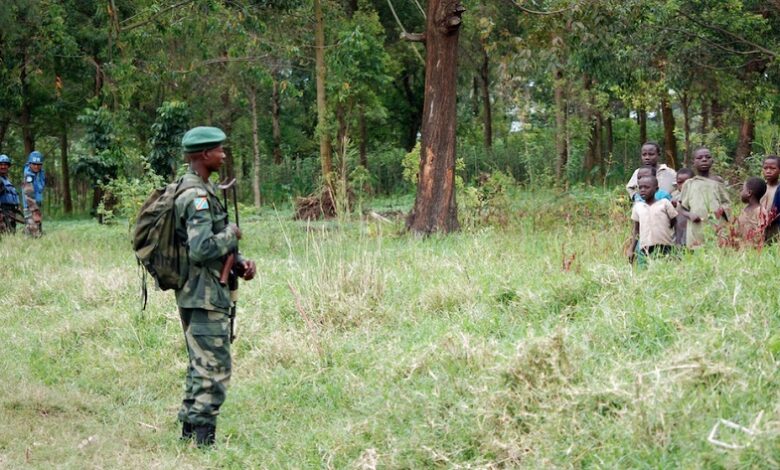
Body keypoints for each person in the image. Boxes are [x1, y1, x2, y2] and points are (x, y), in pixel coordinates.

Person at [174, 126, 257, 447]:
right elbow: (201, 249)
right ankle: (204, 441)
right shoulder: (196, 196)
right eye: (219, 150)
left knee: (200, 364)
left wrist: (239, 262)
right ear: (205, 154)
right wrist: (231, 233)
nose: (223, 155)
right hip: (204, 294)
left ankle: (188, 432)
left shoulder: (199, 188)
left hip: (199, 290)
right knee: (214, 366)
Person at [679, 147, 731, 248]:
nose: (704, 160)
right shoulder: (689, 184)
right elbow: (681, 207)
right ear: (693, 162)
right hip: (696, 226)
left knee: (717, 250)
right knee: (698, 251)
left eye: (708, 157)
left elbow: (727, 203)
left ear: (712, 161)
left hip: (716, 224)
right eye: (699, 158)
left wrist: (721, 210)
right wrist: (689, 215)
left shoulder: (718, 181)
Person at [628, 175, 678, 264]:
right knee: (649, 268)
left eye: (646, 187)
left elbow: (674, 222)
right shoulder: (638, 207)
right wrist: (631, 249)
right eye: (640, 187)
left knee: (666, 266)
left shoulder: (664, 203)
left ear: (656, 189)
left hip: (665, 245)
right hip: (646, 247)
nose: (642, 190)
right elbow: (636, 230)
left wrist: (676, 242)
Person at [736, 176, 767, 247]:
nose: (741, 192)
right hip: (740, 248)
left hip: (753, 250)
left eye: (743, 189)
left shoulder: (761, 211)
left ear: (749, 193)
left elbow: (761, 233)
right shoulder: (744, 209)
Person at [22, 151, 45, 237]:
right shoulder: (29, 176)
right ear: (30, 164)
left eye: (38, 164)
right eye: (34, 164)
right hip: (31, 208)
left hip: (36, 206)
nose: (36, 166)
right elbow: (29, 196)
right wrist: (35, 211)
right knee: (33, 233)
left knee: (37, 230)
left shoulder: (38, 175)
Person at [671, 168, 694, 246]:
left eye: (687, 182)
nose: (683, 185)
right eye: (680, 182)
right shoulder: (673, 196)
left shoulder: (697, 196)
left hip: (694, 235)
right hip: (678, 235)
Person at [0, 154, 21, 234]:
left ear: (8, 166)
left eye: (5, 165)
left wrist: (17, 205)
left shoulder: (7, 180)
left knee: (11, 234)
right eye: (1, 165)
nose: (3, 167)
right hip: (2, 212)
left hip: (11, 212)